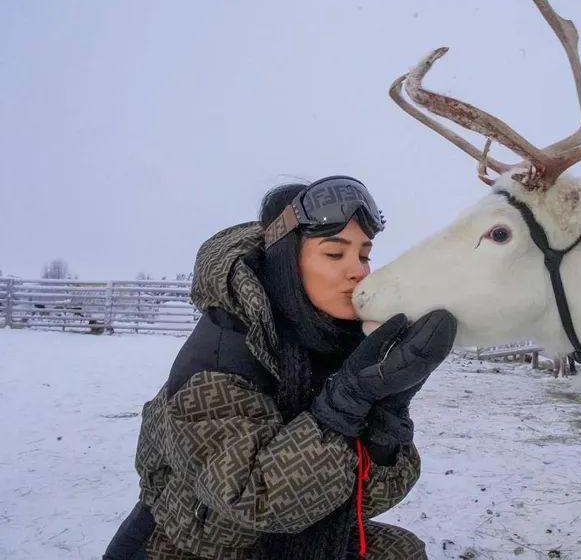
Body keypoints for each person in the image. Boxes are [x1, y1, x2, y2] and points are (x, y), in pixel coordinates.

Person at [102, 175, 457, 560]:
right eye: (335, 254)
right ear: (285, 260)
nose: (359, 271)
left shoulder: (330, 338)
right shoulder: (218, 361)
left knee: (399, 553)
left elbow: (355, 501)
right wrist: (343, 407)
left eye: (365, 254)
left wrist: (388, 417)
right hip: (182, 548)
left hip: (281, 542)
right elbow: (257, 500)